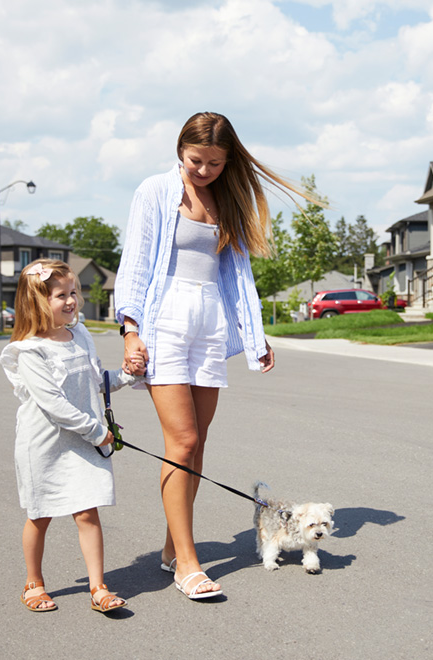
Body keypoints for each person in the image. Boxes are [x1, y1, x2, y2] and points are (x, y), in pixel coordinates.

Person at [114, 112, 316, 600]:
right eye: (195, 161)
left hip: (210, 325)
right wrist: (130, 329)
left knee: (197, 445)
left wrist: (255, 334)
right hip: (165, 323)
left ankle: (170, 547)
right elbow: (135, 264)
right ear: (179, 151)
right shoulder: (155, 192)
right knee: (180, 441)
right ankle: (187, 564)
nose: (203, 171)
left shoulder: (227, 197)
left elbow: (237, 276)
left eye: (215, 163)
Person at [0, 259, 143, 613]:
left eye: (74, 292)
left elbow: (95, 382)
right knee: (40, 514)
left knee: (87, 513)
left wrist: (126, 375)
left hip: (84, 440)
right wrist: (99, 432)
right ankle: (34, 581)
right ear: (36, 301)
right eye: (60, 295)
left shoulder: (80, 335)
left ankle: (98, 586)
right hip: (44, 445)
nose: (71, 301)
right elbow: (54, 405)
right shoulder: (30, 350)